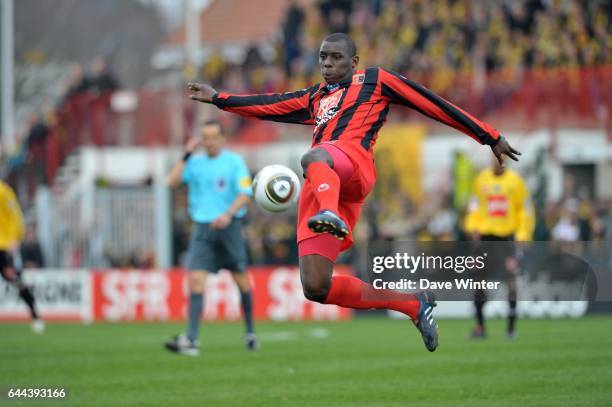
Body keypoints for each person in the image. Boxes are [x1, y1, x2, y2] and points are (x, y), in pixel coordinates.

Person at [188, 33, 521, 352]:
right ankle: (413, 305)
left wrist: (489, 136)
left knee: (314, 155)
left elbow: (432, 103)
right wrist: (219, 99)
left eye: (336, 58)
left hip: (353, 166)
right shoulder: (316, 97)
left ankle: (329, 213)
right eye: (323, 58)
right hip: (322, 185)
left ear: (354, 61)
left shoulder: (376, 81)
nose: (328, 64)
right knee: (316, 287)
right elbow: (269, 104)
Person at [164, 120, 257, 356]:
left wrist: (227, 214)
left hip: (230, 228)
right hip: (203, 229)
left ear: (222, 138)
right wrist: (185, 154)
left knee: (242, 281)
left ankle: (250, 333)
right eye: (205, 137)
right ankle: (192, 340)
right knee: (195, 280)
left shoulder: (234, 162)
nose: (210, 141)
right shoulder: (194, 163)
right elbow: (170, 182)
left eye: (214, 136)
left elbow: (246, 194)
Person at [464, 156, 534, 339]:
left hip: (506, 238)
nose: (497, 161)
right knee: (477, 280)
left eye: (501, 159)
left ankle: (511, 329)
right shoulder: (481, 180)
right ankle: (480, 327)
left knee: (511, 281)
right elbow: (474, 207)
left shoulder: (515, 181)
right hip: (485, 238)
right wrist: (473, 227)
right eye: (495, 158)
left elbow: (525, 210)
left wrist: (522, 234)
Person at [0, 180, 44, 333]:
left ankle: (34, 313)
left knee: (14, 279)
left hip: (4, 245)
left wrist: (15, 239)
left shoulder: (4, 192)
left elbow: (16, 217)